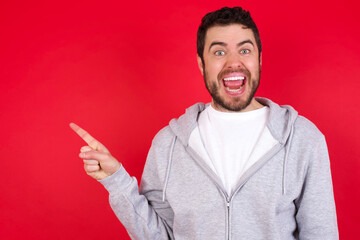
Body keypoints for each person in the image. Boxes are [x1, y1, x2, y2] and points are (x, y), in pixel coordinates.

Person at [70, 7, 338, 240]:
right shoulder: (169, 144)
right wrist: (115, 181)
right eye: (219, 52)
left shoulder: (303, 139)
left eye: (245, 50)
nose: (234, 62)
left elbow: (321, 233)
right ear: (202, 64)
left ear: (258, 59)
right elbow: (157, 235)